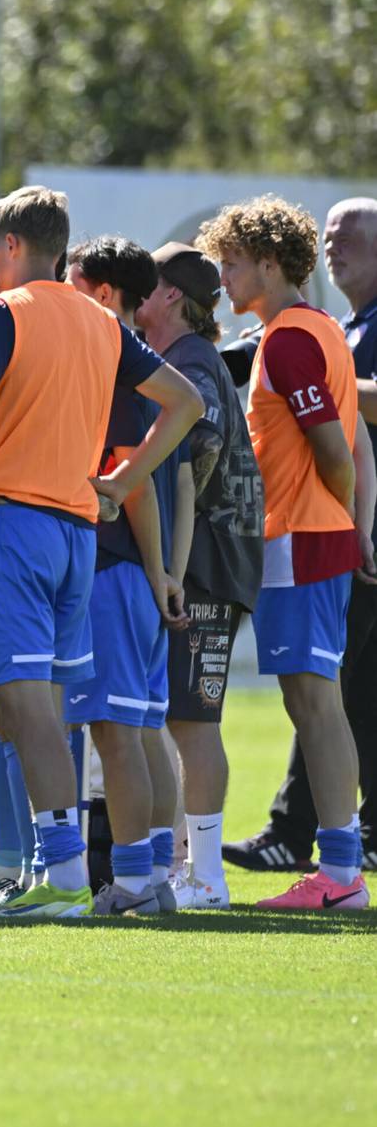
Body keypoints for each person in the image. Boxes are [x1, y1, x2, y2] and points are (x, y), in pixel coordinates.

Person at [0, 186, 201, 919]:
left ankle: (56, 871)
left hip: (13, 523)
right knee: (44, 710)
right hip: (76, 534)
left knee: (22, 708)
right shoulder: (102, 321)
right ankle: (61, 869)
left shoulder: (4, 311)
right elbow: (186, 402)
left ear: (15, 246)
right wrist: (122, 480)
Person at [200, 196, 372, 910]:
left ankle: (338, 873)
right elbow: (357, 440)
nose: (226, 277)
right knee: (314, 703)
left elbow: (336, 449)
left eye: (234, 262)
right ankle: (339, 868)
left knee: (316, 702)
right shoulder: (322, 329)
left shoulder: (293, 338)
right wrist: (357, 523)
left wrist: (338, 516)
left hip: (300, 540)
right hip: (311, 536)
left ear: (271, 263)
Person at [63, 236, 189, 916]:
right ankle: (156, 877)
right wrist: (162, 570)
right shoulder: (130, 360)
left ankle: (136, 880)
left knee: (117, 731)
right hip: (136, 573)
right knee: (139, 729)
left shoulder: (106, 357)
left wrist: (150, 563)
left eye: (74, 281)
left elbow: (127, 485)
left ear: (104, 293)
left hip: (113, 570)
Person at [136, 241, 263, 908]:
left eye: (146, 285)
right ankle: (190, 865)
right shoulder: (181, 359)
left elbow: (201, 456)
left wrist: (174, 564)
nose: (135, 294)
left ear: (172, 299)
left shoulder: (191, 362)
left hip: (208, 566)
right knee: (181, 715)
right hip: (201, 564)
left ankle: (206, 876)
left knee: (194, 719)